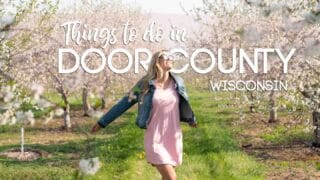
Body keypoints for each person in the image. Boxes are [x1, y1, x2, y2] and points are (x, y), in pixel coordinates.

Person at [91, 50, 197, 180]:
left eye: (172, 56)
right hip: (155, 136)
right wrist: (103, 122)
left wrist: (191, 119)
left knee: (166, 177)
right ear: (157, 61)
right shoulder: (144, 84)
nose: (170, 58)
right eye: (166, 56)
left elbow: (184, 102)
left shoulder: (178, 82)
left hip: (173, 135)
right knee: (171, 178)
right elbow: (125, 102)